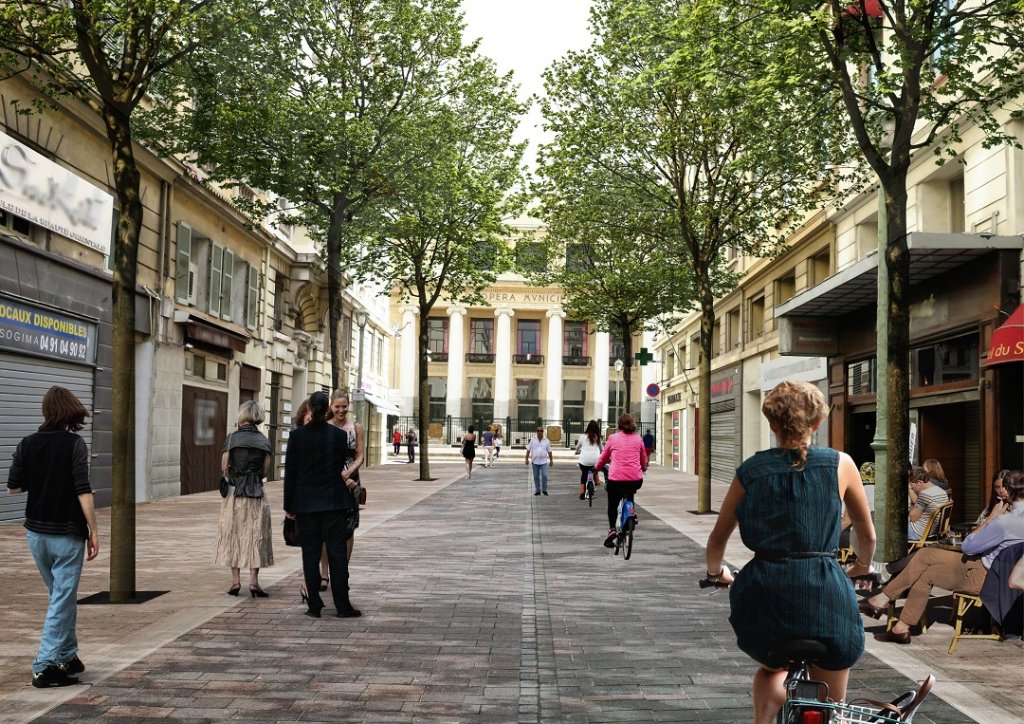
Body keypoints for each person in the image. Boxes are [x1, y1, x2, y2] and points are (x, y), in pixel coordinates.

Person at [704, 381, 876, 724]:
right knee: (833, 666)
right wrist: (862, 567)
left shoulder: (750, 472)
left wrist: (715, 574)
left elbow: (717, 539)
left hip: (764, 589)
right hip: (826, 588)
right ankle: (831, 714)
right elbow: (866, 535)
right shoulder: (841, 464)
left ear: (772, 424)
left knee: (771, 666)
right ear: (816, 422)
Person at [862, 470, 1024, 644]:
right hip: (1004, 573)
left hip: (986, 575)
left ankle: (896, 621)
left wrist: (991, 518)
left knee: (926, 574)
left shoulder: (1003, 521)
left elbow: (969, 547)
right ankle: (887, 606)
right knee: (925, 554)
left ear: (1007, 490)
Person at [7, 386, 99, 688]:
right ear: (71, 411)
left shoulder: (26, 443)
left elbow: (14, 488)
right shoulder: (74, 444)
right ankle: (44, 665)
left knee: (61, 596)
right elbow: (82, 489)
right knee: (61, 598)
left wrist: (41, 475)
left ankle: (68, 656)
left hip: (36, 533)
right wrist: (94, 530)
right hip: (67, 533)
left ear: (47, 411)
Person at [284, 391, 361, 618]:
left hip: (306, 505)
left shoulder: (297, 437)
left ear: (309, 408)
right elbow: (339, 468)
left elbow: (291, 475)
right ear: (327, 407)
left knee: (310, 555)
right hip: (334, 503)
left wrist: (289, 507)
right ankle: (343, 606)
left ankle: (315, 606)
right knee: (337, 555)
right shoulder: (338, 436)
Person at [215, 401, 275, 599]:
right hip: (256, 493)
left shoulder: (232, 439)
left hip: (234, 493)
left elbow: (224, 467)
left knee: (233, 533)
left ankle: (235, 581)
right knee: (256, 535)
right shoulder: (265, 441)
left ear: (241, 415)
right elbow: (265, 471)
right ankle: (253, 582)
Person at [595, 413, 648, 547]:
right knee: (629, 492)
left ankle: (612, 529)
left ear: (619, 425)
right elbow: (643, 459)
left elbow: (603, 457)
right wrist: (643, 467)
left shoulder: (612, 438)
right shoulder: (638, 439)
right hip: (635, 479)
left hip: (616, 480)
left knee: (613, 504)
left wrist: (596, 468)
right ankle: (632, 516)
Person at [329, 390, 364, 564]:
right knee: (326, 526)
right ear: (331, 406)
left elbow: (360, 456)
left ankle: (343, 568)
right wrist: (341, 476)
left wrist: (349, 472)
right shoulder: (325, 426)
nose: (341, 410)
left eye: (344, 406)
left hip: (352, 480)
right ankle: (324, 573)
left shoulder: (356, 428)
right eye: (337, 406)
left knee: (349, 527)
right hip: (330, 479)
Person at [907, 465, 948, 540]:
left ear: (919, 482)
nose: (912, 489)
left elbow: (913, 518)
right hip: (933, 532)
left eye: (911, 485)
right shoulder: (941, 491)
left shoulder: (925, 494)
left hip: (918, 533)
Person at [575, 420, 603, 500]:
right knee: (594, 470)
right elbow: (602, 449)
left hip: (584, 462)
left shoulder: (583, 437)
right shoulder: (598, 437)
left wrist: (576, 451)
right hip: (595, 461)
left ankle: (582, 492)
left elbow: (577, 447)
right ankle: (596, 481)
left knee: (584, 475)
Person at [525, 426, 553, 496]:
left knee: (544, 475)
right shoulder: (532, 440)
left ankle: (544, 490)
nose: (539, 432)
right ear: (536, 431)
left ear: (543, 432)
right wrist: (526, 459)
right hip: (535, 461)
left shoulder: (547, 440)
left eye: (541, 431)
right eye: (538, 431)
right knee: (536, 476)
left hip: (543, 461)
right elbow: (528, 449)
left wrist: (551, 460)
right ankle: (537, 490)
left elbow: (549, 451)